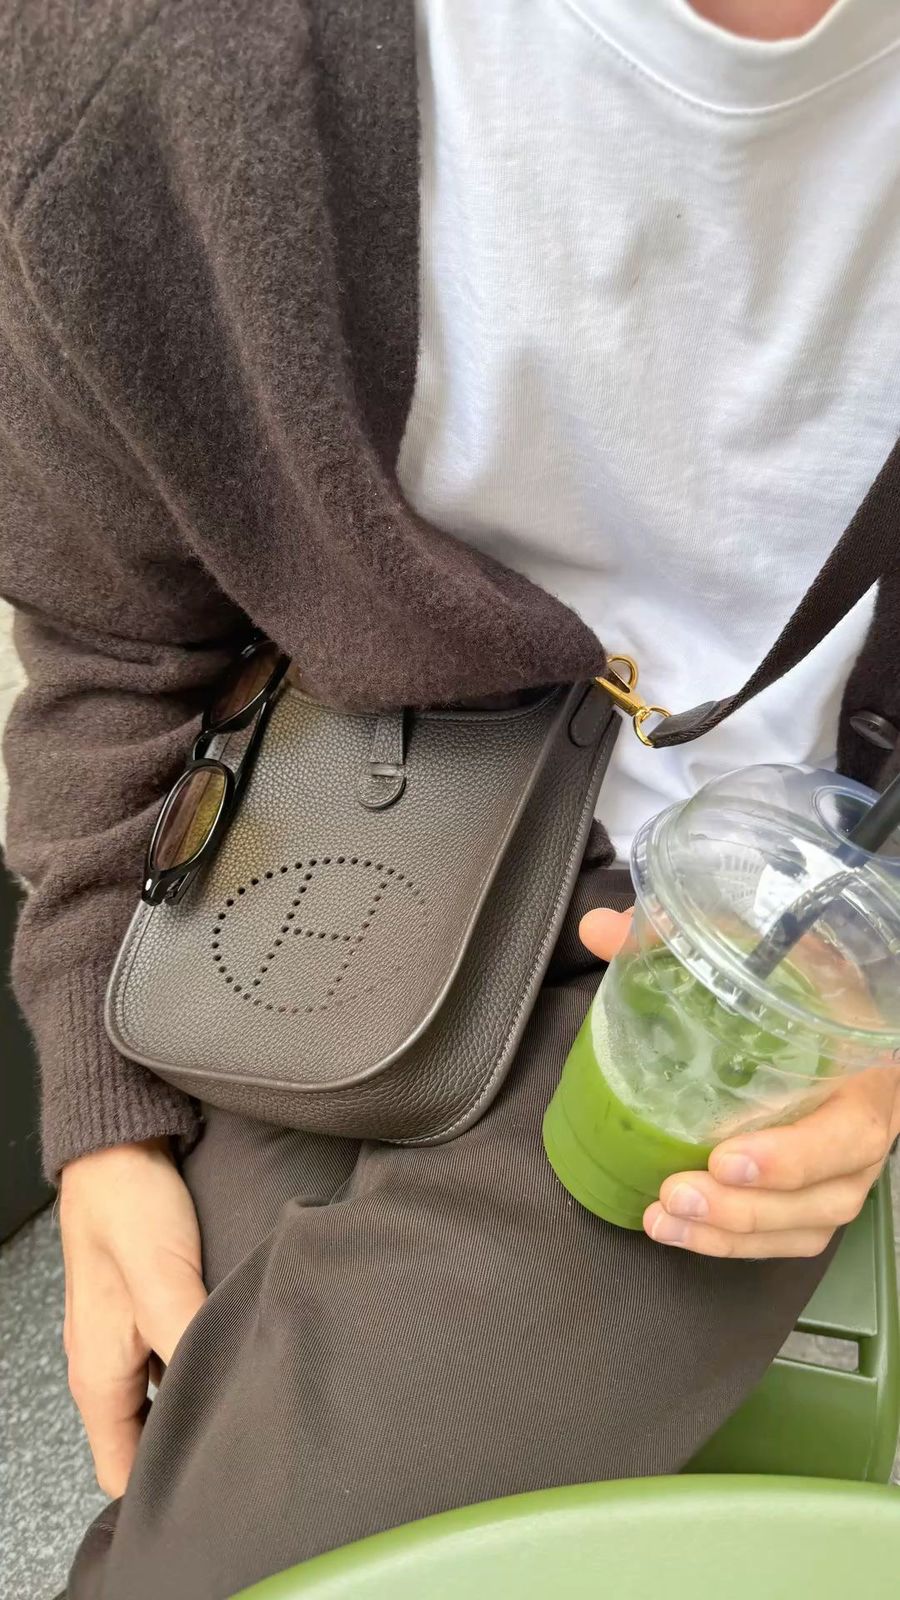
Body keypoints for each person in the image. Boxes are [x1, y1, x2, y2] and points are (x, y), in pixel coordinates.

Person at [1, 0, 898, 1594]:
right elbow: (111, 634)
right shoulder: (144, 62)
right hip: (340, 848)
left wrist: (884, 1031)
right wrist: (101, 1123)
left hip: (762, 964)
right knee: (195, 1415)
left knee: (214, 1559)